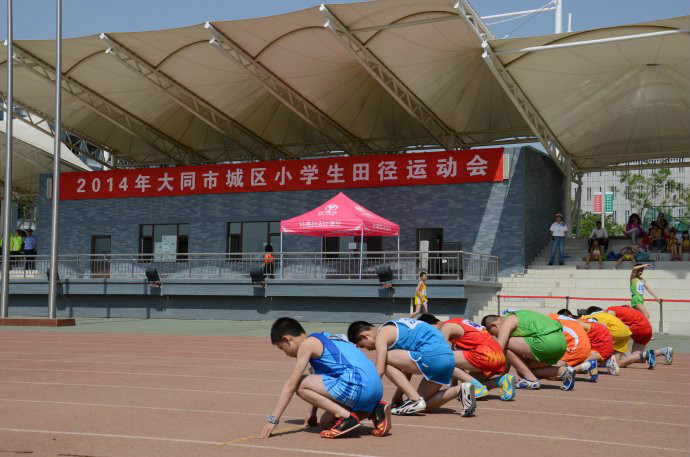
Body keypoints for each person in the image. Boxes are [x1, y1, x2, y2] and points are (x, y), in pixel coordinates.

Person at [260, 317, 390, 440]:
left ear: (287, 339)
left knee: (298, 383)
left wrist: (273, 420)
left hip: (356, 384)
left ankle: (347, 417)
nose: (287, 354)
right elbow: (319, 380)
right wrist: (312, 412)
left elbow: (291, 385)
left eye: (283, 348)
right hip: (376, 389)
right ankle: (375, 410)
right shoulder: (327, 337)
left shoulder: (307, 345)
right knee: (325, 422)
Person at [347, 318, 476, 417]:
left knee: (384, 359)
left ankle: (414, 399)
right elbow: (407, 369)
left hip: (432, 356)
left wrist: (363, 397)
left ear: (365, 336)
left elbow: (379, 370)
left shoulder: (382, 334)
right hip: (447, 359)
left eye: (363, 345)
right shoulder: (396, 328)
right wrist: (398, 396)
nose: (368, 349)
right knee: (425, 405)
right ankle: (460, 390)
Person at [417, 314, 516, 401]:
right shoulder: (458, 322)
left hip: (485, 354)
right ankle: (502, 381)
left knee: (442, 358)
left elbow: (442, 356)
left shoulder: (446, 327)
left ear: (429, 326)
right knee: (469, 383)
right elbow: (455, 356)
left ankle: (479, 388)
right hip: (498, 356)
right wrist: (454, 386)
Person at [481, 310, 572, 391]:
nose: (496, 336)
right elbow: (508, 359)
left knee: (504, 343)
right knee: (524, 369)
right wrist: (501, 378)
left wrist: (482, 371)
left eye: (493, 334)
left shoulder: (508, 321)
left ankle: (531, 380)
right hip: (561, 343)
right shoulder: (519, 315)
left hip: (547, 342)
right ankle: (563, 371)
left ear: (493, 326)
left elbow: (499, 350)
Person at [606, 305, 673, 369]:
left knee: (619, 359)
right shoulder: (626, 312)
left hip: (639, 328)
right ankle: (664, 350)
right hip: (647, 329)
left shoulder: (610, 310)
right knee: (635, 357)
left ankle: (613, 359)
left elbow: (610, 324)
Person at [546, 313, 598, 382]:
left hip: (576, 346)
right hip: (583, 345)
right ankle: (584, 366)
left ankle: (585, 366)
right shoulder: (556, 318)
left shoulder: (548, 321)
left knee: (551, 376)